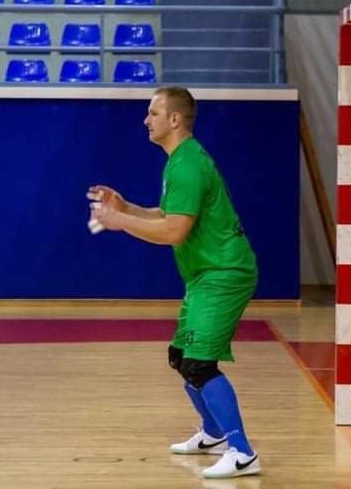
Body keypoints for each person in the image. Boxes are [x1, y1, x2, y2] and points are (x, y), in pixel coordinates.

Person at [88, 86, 261, 479]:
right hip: (204, 275)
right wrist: (127, 207)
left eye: (153, 113)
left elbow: (173, 232)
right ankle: (214, 434)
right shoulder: (179, 161)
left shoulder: (187, 166)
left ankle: (243, 452)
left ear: (175, 119)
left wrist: (119, 222)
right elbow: (169, 215)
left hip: (224, 273)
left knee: (200, 364)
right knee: (181, 358)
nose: (146, 120)